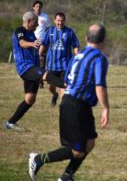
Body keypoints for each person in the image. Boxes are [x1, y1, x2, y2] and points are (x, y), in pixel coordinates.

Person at [29, 23, 110, 181]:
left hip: (77, 104)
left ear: (86, 38)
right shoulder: (100, 58)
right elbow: (99, 85)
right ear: (104, 40)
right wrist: (105, 108)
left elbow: (66, 82)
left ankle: (66, 176)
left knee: (90, 142)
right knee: (76, 150)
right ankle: (38, 159)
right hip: (76, 105)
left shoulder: (77, 56)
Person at [4, 11, 64, 131]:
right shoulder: (19, 30)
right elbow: (21, 43)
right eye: (35, 23)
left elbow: (36, 54)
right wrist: (32, 44)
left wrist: (40, 72)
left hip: (33, 67)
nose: (37, 25)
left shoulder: (32, 34)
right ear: (28, 21)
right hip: (25, 67)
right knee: (49, 75)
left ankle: (10, 123)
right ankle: (67, 85)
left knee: (30, 99)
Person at [39, 12, 80, 107]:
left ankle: (62, 105)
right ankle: (55, 95)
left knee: (63, 85)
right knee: (51, 87)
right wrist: (39, 55)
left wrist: (77, 57)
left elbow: (75, 46)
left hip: (65, 65)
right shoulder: (49, 31)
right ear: (54, 21)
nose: (60, 22)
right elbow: (44, 44)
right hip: (51, 65)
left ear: (64, 21)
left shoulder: (70, 32)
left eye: (62, 20)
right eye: (58, 20)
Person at [32, 0, 50, 88]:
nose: (38, 8)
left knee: (41, 60)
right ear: (33, 7)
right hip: (31, 41)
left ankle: (40, 81)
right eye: (36, 6)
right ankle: (34, 78)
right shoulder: (30, 16)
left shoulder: (45, 17)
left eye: (40, 6)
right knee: (33, 60)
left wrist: (46, 40)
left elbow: (48, 29)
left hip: (42, 41)